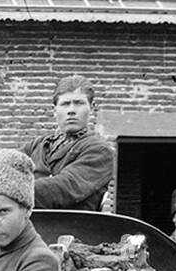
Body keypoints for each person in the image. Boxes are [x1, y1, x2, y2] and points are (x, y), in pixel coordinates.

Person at [21, 75, 114, 211]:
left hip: (71, 227)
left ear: (92, 108)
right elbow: (6, 163)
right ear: (54, 110)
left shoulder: (99, 151)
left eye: (78, 103)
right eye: (65, 104)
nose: (71, 110)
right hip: (28, 223)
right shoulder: (37, 145)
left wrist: (9, 190)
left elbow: (64, 187)